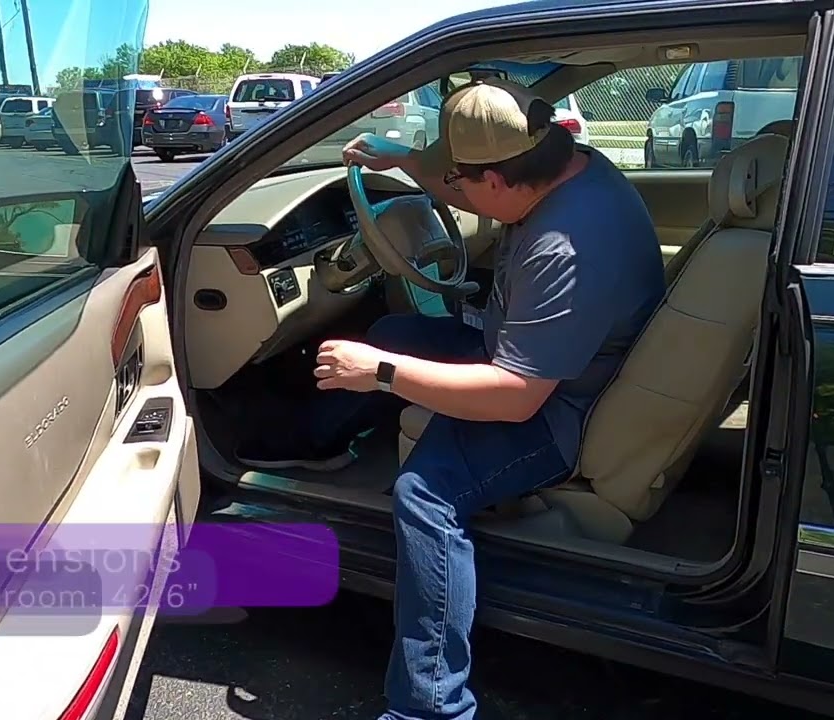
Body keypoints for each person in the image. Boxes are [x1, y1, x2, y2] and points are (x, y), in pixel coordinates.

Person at [236, 78, 667, 720]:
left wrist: (381, 373)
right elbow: (477, 188)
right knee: (395, 330)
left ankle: (429, 704)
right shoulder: (572, 165)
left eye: (460, 178)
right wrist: (407, 162)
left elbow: (515, 399)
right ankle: (314, 446)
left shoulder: (564, 248)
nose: (453, 187)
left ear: (493, 180)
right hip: (536, 360)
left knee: (424, 495)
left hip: (559, 410)